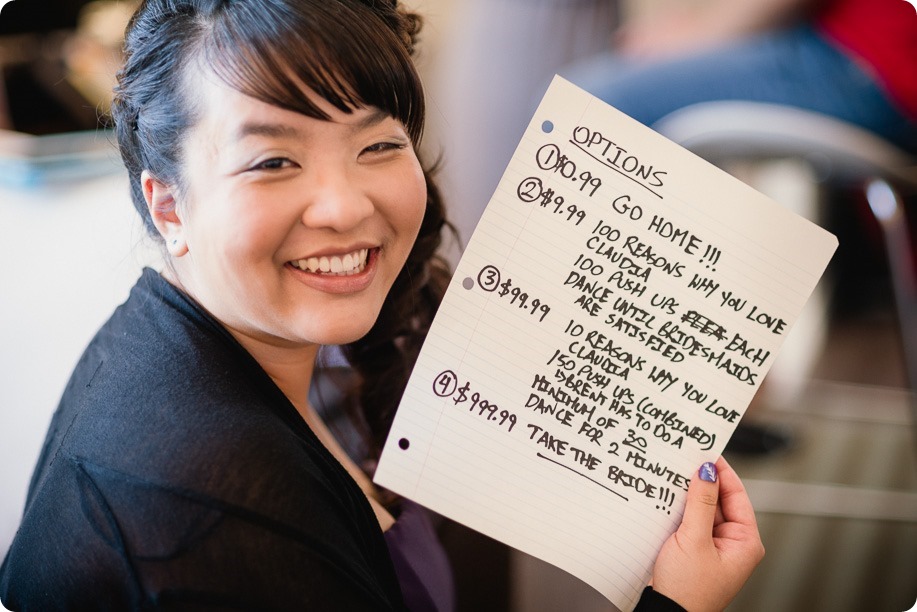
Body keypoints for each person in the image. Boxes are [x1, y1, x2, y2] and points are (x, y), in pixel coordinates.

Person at [0, 0, 764, 610]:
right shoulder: (204, 523)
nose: (342, 206)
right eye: (273, 160)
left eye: (378, 146)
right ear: (167, 206)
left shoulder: (300, 343)